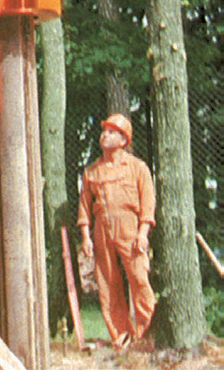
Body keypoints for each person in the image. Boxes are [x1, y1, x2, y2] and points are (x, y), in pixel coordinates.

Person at [77, 113, 156, 349]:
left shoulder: (138, 168)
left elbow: (148, 203)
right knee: (108, 285)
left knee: (140, 280)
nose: (105, 135)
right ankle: (121, 338)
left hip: (131, 232)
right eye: (104, 130)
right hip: (101, 232)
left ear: (124, 140)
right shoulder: (92, 171)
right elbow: (84, 207)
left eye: (112, 131)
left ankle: (144, 335)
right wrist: (86, 238)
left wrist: (143, 234)